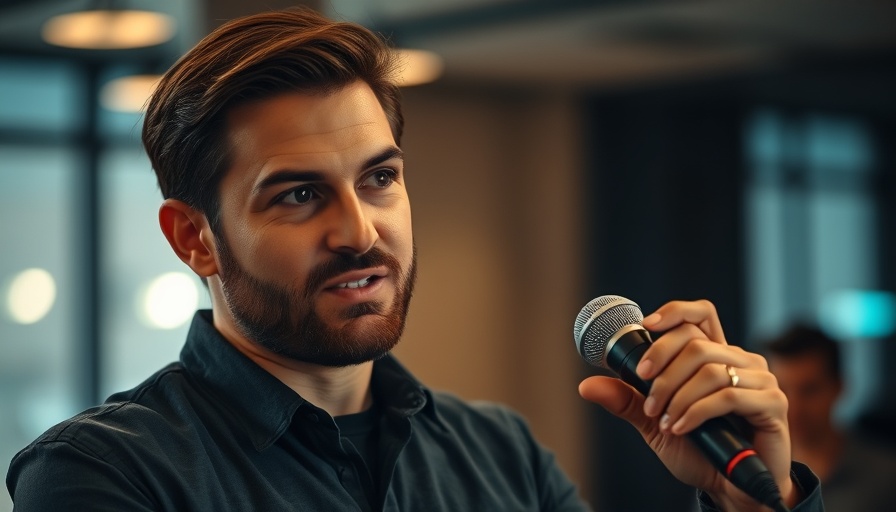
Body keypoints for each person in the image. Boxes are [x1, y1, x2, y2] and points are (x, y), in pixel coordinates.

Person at [7, 7, 821, 511]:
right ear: (194, 238)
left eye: (381, 178)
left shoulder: (502, 454)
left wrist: (749, 504)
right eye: (297, 195)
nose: (359, 230)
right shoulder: (102, 475)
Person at [764, 324, 896, 512]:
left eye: (809, 390)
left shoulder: (886, 477)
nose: (794, 407)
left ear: (839, 388)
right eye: (781, 390)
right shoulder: (753, 474)